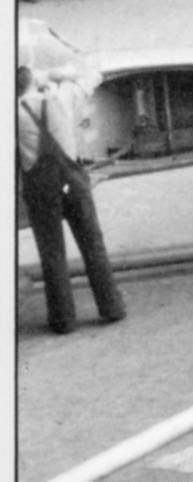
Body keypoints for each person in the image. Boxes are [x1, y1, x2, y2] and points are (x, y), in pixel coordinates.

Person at [18, 65, 126, 334]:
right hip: (72, 183)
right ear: (34, 79)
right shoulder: (62, 98)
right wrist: (54, 75)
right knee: (93, 245)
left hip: (40, 188)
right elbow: (94, 75)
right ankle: (112, 308)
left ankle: (62, 320)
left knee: (52, 253)